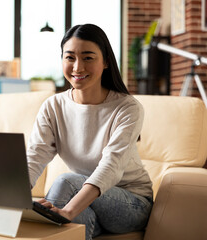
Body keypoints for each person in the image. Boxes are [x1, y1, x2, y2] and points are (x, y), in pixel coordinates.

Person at [27, 24, 153, 240]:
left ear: (105, 62)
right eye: (70, 57)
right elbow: (34, 158)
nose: (77, 67)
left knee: (65, 182)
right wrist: (13, 200)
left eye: (88, 58)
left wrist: (67, 211)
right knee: (50, 217)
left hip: (131, 203)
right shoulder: (53, 107)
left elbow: (110, 167)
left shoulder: (127, 108)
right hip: (86, 198)